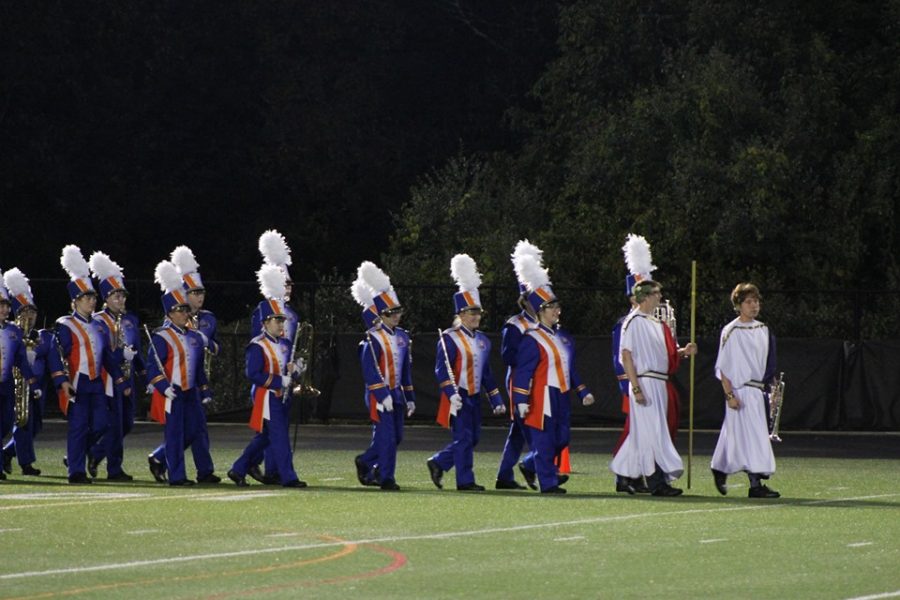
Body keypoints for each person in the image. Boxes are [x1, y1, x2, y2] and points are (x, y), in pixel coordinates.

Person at [510, 254, 594, 494]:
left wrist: (583, 391)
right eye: (552, 307)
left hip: (562, 393)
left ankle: (529, 464)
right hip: (543, 395)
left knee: (562, 438)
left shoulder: (560, 337)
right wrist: (521, 400)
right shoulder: (531, 339)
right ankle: (548, 483)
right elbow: (523, 372)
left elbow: (569, 368)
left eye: (557, 306)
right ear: (541, 311)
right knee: (545, 440)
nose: (557, 310)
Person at [48, 246, 130, 484]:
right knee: (78, 427)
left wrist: (120, 379)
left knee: (102, 425)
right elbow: (57, 354)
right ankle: (76, 471)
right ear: (75, 301)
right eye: (87, 298)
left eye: (93, 298)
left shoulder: (98, 325)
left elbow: (106, 356)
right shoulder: (65, 324)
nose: (92, 302)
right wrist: (62, 380)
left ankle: (78, 456)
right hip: (77, 381)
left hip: (95, 382)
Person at [609, 279, 697, 496]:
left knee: (646, 433)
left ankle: (627, 476)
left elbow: (663, 355)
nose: (660, 297)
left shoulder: (656, 324)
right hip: (645, 382)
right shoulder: (633, 322)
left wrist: (683, 351)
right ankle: (657, 483)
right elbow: (626, 356)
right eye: (656, 293)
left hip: (659, 383)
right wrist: (636, 388)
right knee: (652, 433)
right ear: (645, 296)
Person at [427, 254, 505, 492]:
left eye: (478, 313)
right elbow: (441, 369)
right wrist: (451, 394)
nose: (476, 317)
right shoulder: (449, 338)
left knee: (473, 438)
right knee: (463, 439)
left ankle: (439, 461)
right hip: (458, 396)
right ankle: (465, 481)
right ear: (460, 314)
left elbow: (486, 373)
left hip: (473, 396)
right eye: (471, 313)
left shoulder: (482, 340)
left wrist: (496, 398)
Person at [228, 264, 307, 488]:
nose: (282, 324)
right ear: (265, 323)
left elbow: (285, 367)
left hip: (281, 393)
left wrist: (295, 370)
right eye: (277, 320)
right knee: (280, 437)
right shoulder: (257, 345)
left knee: (266, 437)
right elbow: (253, 373)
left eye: (282, 320)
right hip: (266, 396)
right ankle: (289, 478)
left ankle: (239, 468)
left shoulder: (284, 344)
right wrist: (278, 380)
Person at [147, 246, 220, 484]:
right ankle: (177, 476)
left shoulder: (196, 332)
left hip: (191, 389)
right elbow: (153, 365)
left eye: (185, 310)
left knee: (196, 430)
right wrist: (162, 386)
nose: (184, 314)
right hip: (173, 389)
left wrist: (205, 388)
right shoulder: (162, 335)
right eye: (179, 311)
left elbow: (197, 365)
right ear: (170, 314)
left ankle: (201, 470)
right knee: (175, 434)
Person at [710, 283, 780, 498]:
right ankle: (755, 484)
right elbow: (723, 367)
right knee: (753, 437)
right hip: (739, 390)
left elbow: (770, 363)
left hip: (757, 391)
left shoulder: (763, 330)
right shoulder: (731, 331)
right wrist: (729, 395)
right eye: (749, 302)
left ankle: (720, 468)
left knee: (735, 436)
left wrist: (774, 390)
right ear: (738, 305)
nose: (754, 306)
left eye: (756, 301)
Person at [351, 261, 415, 491]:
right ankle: (386, 477)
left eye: (397, 312)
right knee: (387, 438)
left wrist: (410, 396)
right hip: (379, 394)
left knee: (396, 437)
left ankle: (367, 461)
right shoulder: (372, 338)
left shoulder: (403, 337)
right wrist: (380, 393)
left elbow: (405, 370)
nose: (396, 317)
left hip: (396, 392)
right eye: (391, 313)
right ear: (381, 315)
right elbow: (370, 370)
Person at [247, 230, 301, 485]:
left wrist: (295, 368)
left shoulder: (292, 314)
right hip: (268, 380)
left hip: (285, 378)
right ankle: (269, 470)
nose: (289, 288)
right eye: (285, 284)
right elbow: (259, 345)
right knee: (272, 430)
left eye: (290, 284)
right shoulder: (264, 311)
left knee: (274, 431)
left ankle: (264, 468)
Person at [87, 251, 145, 481]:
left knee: (127, 424)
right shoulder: (99, 320)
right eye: (116, 296)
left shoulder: (130, 319)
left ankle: (95, 452)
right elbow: (102, 352)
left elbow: (137, 348)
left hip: (128, 376)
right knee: (114, 424)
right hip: (109, 379)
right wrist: (120, 357)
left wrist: (142, 371)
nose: (121, 300)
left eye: (122, 296)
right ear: (106, 299)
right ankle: (114, 468)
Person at [495, 241, 541, 490]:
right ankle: (539, 467)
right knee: (532, 427)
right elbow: (508, 357)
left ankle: (504, 475)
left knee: (518, 432)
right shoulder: (515, 325)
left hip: (541, 380)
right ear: (526, 301)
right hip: (521, 380)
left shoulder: (546, 326)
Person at [612, 234, 655, 494]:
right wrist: (629, 386)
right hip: (634, 382)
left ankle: (636, 474)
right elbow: (619, 357)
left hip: (650, 382)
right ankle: (624, 475)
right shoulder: (625, 323)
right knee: (633, 432)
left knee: (643, 433)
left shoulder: (652, 322)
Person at [1, 268, 53, 477]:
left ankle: (7, 453)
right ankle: (26, 462)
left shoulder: (40, 336)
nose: (29, 316)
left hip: (36, 386)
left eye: (32, 312)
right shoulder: (12, 332)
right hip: (13, 385)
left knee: (34, 426)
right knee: (21, 425)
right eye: (24, 312)